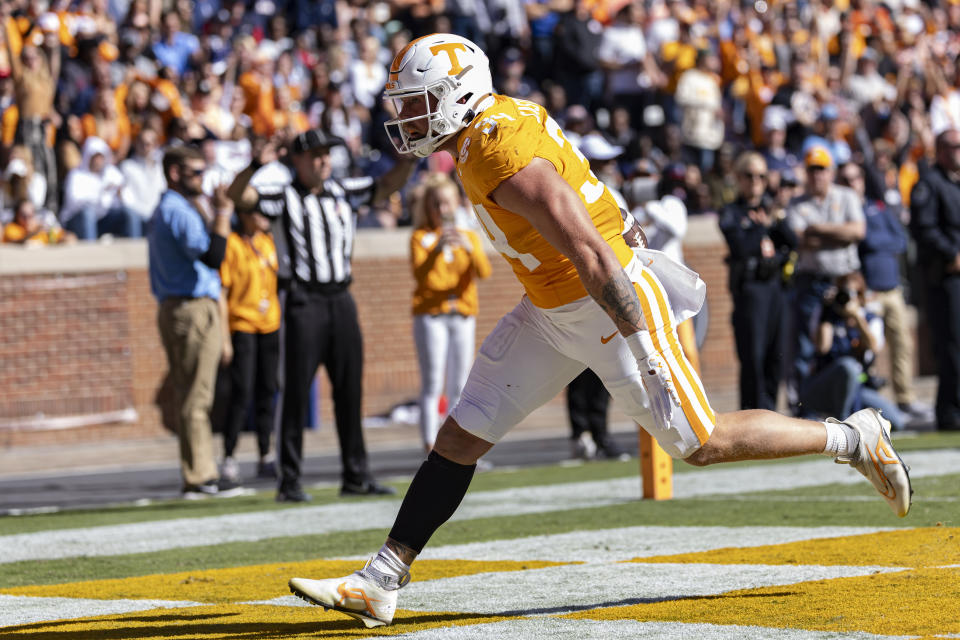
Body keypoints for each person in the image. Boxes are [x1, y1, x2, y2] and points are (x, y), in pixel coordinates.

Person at [286, 33, 912, 629]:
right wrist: (623, 219)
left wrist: (642, 341)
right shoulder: (496, 122)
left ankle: (851, 436)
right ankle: (383, 579)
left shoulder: (497, 146)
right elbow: (583, 183)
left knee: (700, 441)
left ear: (459, 93)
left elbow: (586, 246)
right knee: (460, 436)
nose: (411, 121)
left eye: (420, 106)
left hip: (605, 304)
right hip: (550, 310)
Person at [227, 129, 416, 503]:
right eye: (314, 155)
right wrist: (254, 165)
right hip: (302, 300)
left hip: (341, 298)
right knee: (296, 391)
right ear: (296, 160)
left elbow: (386, 186)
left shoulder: (343, 191)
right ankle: (290, 480)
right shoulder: (283, 196)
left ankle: (356, 475)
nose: (323, 160)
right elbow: (238, 197)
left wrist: (410, 156)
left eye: (326, 153)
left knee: (350, 389)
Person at [149, 145, 236, 498]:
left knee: (191, 394)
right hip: (191, 307)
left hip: (179, 306)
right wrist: (222, 214)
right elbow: (214, 255)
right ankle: (200, 475)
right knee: (197, 397)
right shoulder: (177, 210)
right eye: (196, 172)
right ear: (175, 173)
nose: (202, 179)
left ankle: (200, 472)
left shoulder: (170, 207)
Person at [840, 162, 930, 424]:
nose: (852, 183)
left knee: (903, 343)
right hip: (869, 292)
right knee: (871, 347)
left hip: (892, 288)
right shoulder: (848, 210)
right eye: (846, 179)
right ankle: (873, 399)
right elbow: (866, 240)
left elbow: (900, 240)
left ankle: (905, 398)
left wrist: (873, 241)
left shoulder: (876, 206)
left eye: (856, 177)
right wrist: (877, 241)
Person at [409, 172, 491, 453]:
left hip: (463, 314)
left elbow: (484, 271)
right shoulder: (421, 238)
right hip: (432, 315)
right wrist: (436, 251)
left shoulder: (467, 236)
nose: (443, 210)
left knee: (460, 383)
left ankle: (453, 447)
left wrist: (470, 249)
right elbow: (423, 278)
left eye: (448, 204)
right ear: (428, 207)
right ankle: (429, 445)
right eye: (437, 204)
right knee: (433, 382)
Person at [786, 146, 866, 414]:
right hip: (812, 281)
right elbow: (799, 240)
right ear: (806, 173)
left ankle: (851, 403)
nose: (817, 175)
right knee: (806, 346)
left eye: (822, 169)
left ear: (830, 172)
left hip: (846, 279)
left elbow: (857, 232)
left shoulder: (845, 196)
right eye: (812, 170)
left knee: (851, 336)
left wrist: (818, 230)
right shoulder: (797, 203)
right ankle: (804, 410)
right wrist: (839, 235)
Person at [719, 152, 797, 410]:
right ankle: (752, 419)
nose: (755, 182)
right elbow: (741, 247)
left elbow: (792, 242)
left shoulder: (771, 209)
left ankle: (772, 417)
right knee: (753, 358)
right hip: (750, 291)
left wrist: (776, 219)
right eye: (749, 175)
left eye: (762, 176)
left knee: (777, 357)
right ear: (738, 179)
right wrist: (763, 228)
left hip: (774, 287)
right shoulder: (731, 212)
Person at [217, 205, 281, 482]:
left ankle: (266, 453)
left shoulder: (267, 241)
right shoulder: (233, 244)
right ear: (244, 215)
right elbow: (223, 290)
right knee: (241, 392)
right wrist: (224, 339)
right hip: (243, 324)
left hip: (270, 324)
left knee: (268, 389)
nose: (263, 216)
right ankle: (229, 455)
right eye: (257, 212)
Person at [800, 272, 905, 431]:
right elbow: (822, 347)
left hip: (859, 389)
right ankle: (842, 427)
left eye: (852, 294)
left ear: (861, 296)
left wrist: (857, 316)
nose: (847, 299)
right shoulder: (826, 315)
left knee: (896, 422)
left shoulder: (870, 318)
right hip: (825, 386)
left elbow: (873, 346)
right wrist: (828, 310)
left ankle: (852, 420)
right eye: (843, 293)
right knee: (848, 366)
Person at [910, 129, 960, 431]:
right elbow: (923, 229)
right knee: (951, 344)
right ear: (939, 150)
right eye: (953, 146)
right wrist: (950, 252)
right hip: (946, 276)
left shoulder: (955, 183)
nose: (958, 151)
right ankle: (950, 412)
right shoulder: (929, 184)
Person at [60, 137, 143, 241]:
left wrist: (119, 193)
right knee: (88, 213)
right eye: (95, 157)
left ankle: (134, 247)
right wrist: (100, 192)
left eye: (101, 157)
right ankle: (91, 251)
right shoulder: (76, 175)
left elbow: (129, 200)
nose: (98, 161)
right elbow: (74, 202)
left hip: (104, 221)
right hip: (79, 221)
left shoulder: (112, 173)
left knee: (129, 213)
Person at [2, 198, 74, 245]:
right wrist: (34, 233)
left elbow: (70, 238)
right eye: (23, 215)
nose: (27, 219)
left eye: (30, 215)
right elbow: (17, 242)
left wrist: (58, 238)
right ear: (17, 215)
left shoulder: (41, 229)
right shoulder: (12, 228)